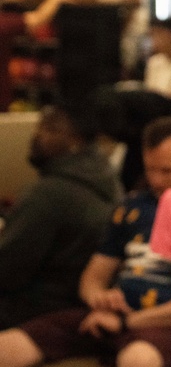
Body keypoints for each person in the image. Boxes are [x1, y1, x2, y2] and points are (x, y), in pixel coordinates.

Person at [0, 116, 171, 367]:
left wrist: (126, 322)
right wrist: (100, 299)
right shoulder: (133, 205)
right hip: (111, 316)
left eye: (167, 171)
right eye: (150, 169)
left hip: (170, 325)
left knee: (138, 362)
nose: (156, 181)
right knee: (5, 348)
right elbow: (94, 277)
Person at [0, 104, 121, 329]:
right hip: (80, 302)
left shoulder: (48, 194)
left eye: (50, 129)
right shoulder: (108, 180)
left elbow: (7, 270)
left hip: (38, 308)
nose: (37, 135)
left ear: (75, 140)